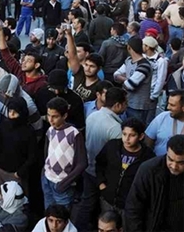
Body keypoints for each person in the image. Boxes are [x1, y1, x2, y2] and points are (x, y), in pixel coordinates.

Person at [75, 87, 128, 231]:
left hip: (88, 167)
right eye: (125, 103)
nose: (126, 106)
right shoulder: (115, 128)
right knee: (104, 207)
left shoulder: (93, 116)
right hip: (103, 174)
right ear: (117, 105)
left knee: (87, 203)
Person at [124, 135, 184, 232]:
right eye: (170, 159)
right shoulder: (149, 170)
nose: (174, 166)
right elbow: (133, 208)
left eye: (181, 163)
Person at [96, 119, 155, 215]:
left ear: (141, 136)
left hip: (130, 205)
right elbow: (99, 164)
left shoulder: (148, 156)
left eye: (132, 135)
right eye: (124, 134)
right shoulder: (112, 146)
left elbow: (149, 181)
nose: (127, 139)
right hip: (107, 199)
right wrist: (101, 185)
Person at [42, 98, 87, 209]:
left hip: (63, 185)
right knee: (48, 214)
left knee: (61, 218)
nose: (51, 120)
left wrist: (65, 183)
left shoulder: (74, 134)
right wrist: (44, 172)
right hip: (47, 180)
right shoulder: (50, 130)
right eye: (48, 115)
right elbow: (46, 153)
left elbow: (82, 163)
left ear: (65, 116)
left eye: (55, 116)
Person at [114, 37, 153, 123]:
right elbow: (115, 75)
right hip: (127, 103)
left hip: (138, 106)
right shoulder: (128, 60)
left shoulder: (144, 65)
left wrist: (124, 79)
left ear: (129, 47)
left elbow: (130, 85)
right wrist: (127, 79)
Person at [65, 27, 102, 102]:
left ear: (99, 68)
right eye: (86, 65)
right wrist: (69, 35)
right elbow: (73, 55)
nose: (87, 68)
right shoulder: (80, 72)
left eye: (92, 66)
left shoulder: (99, 86)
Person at [145, 89, 184, 156]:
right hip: (158, 163)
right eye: (168, 104)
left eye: (172, 105)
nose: (168, 107)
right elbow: (147, 142)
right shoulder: (162, 117)